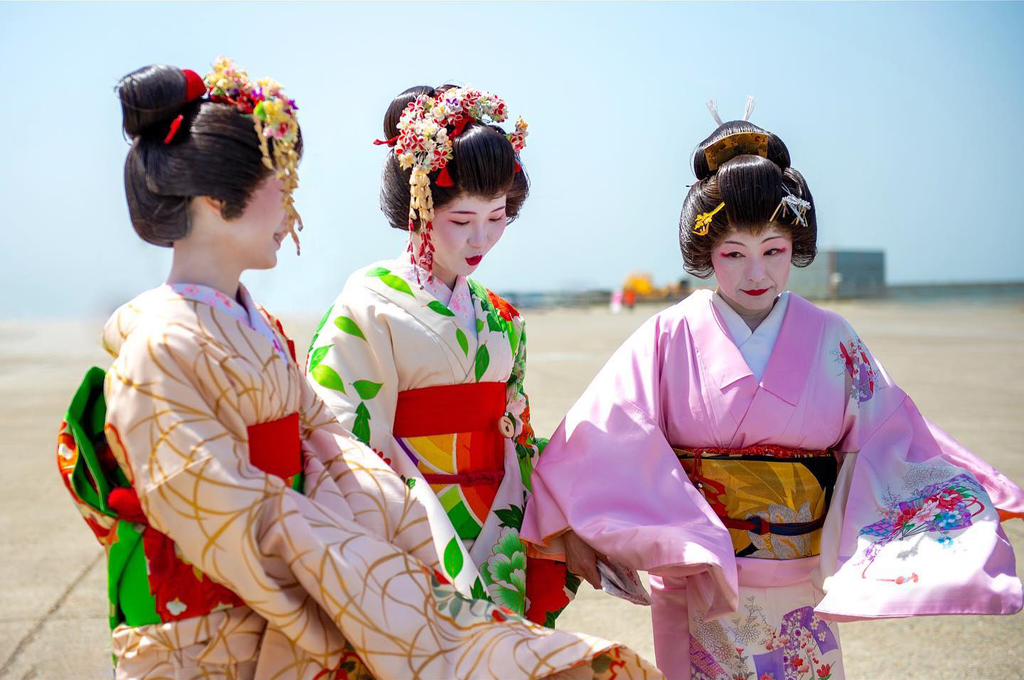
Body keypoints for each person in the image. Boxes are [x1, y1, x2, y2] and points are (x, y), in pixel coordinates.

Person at [56, 59, 660, 680]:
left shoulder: (255, 326)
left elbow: (336, 454)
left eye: (497, 216)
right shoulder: (171, 342)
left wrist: (523, 534)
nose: (292, 204)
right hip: (215, 606)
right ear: (215, 201)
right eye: (279, 184)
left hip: (418, 540)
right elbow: (230, 502)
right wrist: (374, 576)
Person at [519, 107, 1024, 680]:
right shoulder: (669, 334)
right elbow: (604, 429)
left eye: (773, 250)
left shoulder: (832, 336)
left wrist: (960, 499)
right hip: (702, 579)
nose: (754, 272)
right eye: (733, 253)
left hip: (802, 580)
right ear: (706, 253)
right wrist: (570, 522)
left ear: (795, 246)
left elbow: (890, 435)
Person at [307, 84, 576, 627]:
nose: (483, 238)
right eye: (462, 221)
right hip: (415, 525)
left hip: (502, 521)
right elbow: (342, 438)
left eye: (498, 217)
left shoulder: (500, 316)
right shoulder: (368, 304)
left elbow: (514, 430)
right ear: (420, 208)